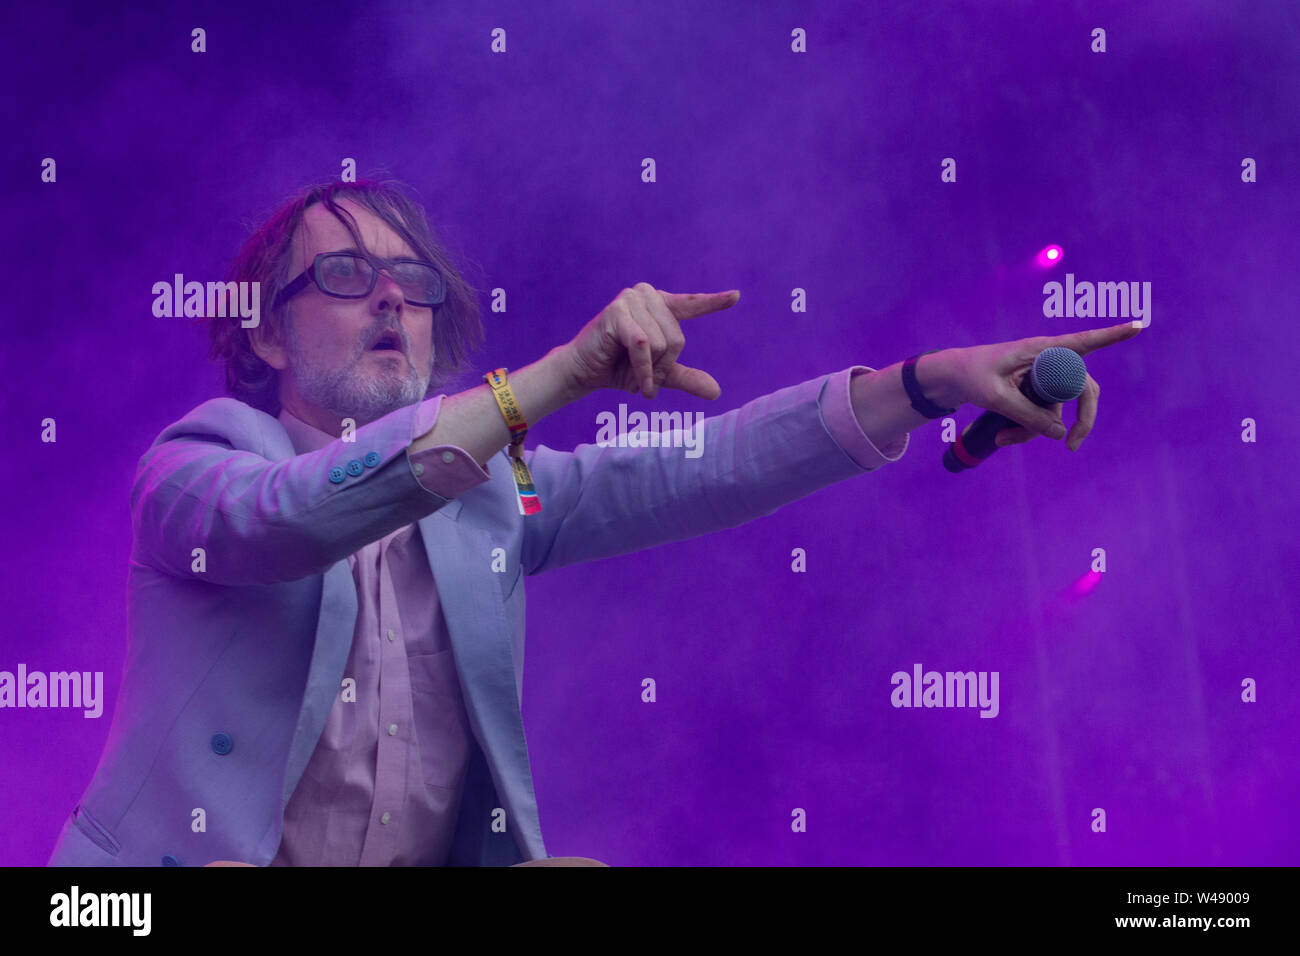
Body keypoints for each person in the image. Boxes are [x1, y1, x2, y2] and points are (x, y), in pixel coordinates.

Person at [46, 179, 1138, 868]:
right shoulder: (196, 462)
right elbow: (290, 519)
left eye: (412, 283)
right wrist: (562, 374)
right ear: (270, 340)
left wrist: (924, 379)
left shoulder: (487, 499)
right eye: (343, 275)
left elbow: (704, 467)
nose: (389, 298)